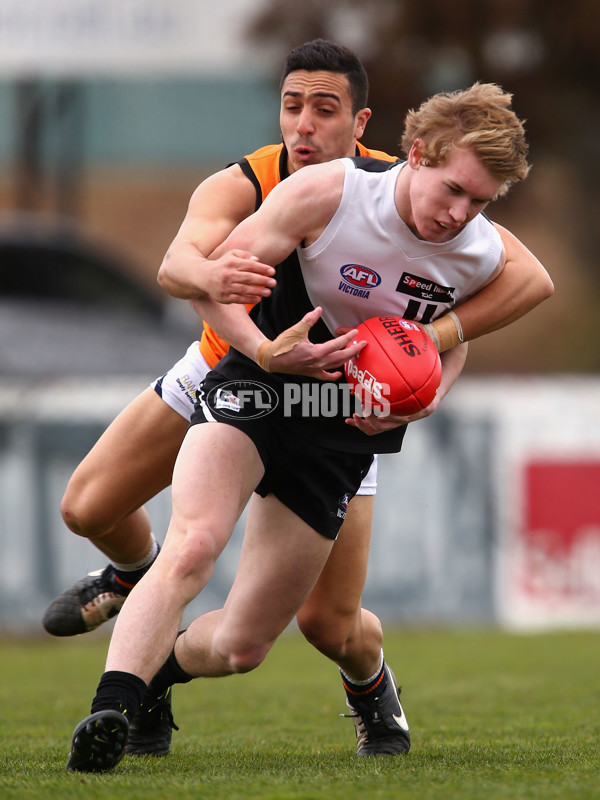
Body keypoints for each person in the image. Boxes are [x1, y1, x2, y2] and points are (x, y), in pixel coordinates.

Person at [65, 79, 547, 773]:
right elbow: (210, 282)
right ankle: (110, 707)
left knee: (243, 645)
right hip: (260, 385)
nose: (460, 214)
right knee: (193, 542)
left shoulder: (477, 247)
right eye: (453, 190)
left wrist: (434, 370)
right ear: (416, 154)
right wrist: (264, 350)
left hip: (341, 427)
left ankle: (161, 669)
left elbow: (525, 289)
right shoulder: (332, 191)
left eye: (480, 202)